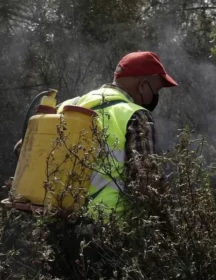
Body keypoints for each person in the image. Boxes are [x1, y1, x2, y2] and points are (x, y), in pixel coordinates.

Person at [15, 51, 178, 218]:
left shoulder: (67, 105)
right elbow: (147, 183)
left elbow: (22, 149)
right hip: (106, 228)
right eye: (156, 90)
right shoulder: (135, 115)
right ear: (143, 86)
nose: (155, 97)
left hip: (55, 220)